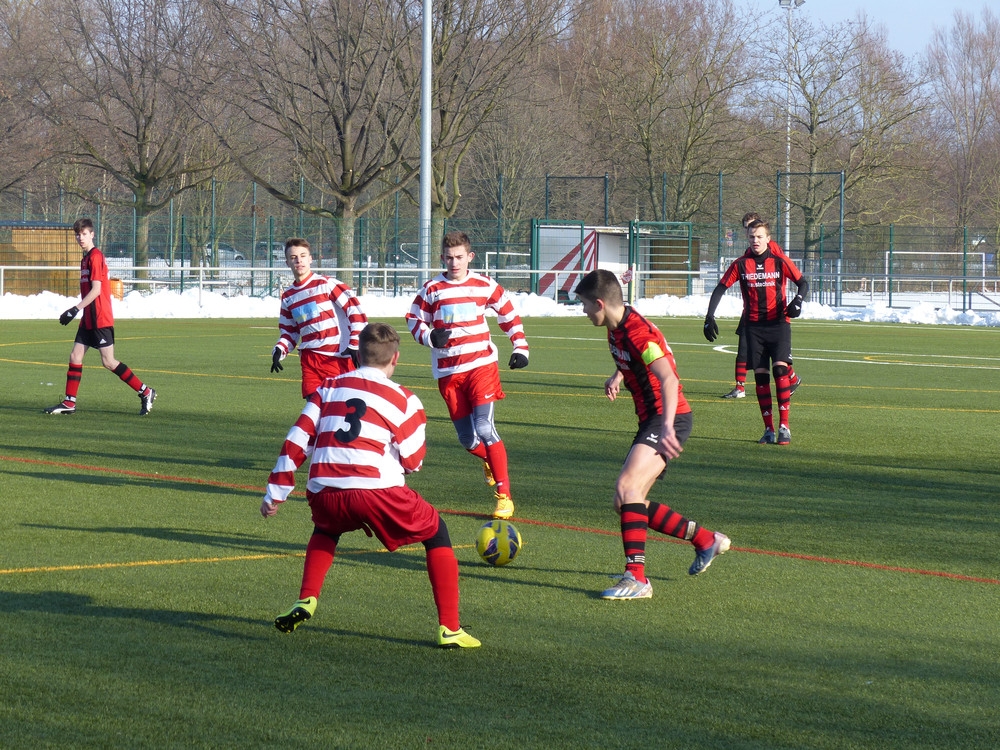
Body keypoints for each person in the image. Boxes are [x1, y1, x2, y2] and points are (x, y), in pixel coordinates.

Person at [260, 322, 481, 649]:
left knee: (326, 529)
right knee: (437, 532)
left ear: (357, 355)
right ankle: (450, 628)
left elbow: (297, 439)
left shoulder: (328, 387)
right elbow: (413, 461)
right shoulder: (404, 398)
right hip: (377, 491)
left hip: (324, 490)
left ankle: (307, 598)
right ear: (396, 358)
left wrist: (275, 493)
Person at [574, 269, 730, 600]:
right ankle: (705, 540)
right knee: (625, 502)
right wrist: (619, 375)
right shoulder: (618, 327)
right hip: (653, 420)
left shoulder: (637, 333)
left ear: (600, 304)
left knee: (626, 487)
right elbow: (637, 358)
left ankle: (637, 578)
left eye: (585, 305)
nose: (584, 311)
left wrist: (668, 425)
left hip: (667, 418)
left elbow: (668, 378)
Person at [405, 230, 529, 520]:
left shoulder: (484, 284)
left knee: (485, 428)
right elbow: (413, 319)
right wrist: (429, 336)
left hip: (481, 365)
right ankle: (489, 460)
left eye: (459, 257)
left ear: (470, 257)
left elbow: (508, 314)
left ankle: (504, 496)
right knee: (468, 440)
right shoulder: (432, 289)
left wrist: (520, 346)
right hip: (448, 372)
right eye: (449, 258)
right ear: (442, 258)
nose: (454, 263)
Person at [705, 219, 808, 445]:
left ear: (768, 239)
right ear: (747, 238)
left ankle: (784, 427)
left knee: (780, 370)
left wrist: (798, 301)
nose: (755, 240)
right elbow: (721, 288)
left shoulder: (779, 261)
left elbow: (803, 283)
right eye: (752, 236)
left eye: (760, 236)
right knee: (761, 376)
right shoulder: (740, 264)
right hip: (753, 327)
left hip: (779, 324)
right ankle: (768, 429)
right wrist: (709, 316)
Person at [45, 218, 156, 416]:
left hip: (100, 318)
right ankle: (69, 403)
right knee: (75, 356)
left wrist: (75, 309)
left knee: (109, 362)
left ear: (92, 235)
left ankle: (146, 391)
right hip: (88, 318)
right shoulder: (85, 258)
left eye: (84, 234)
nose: (80, 238)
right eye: (78, 234)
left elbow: (96, 290)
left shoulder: (95, 257)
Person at [270, 238, 367, 398]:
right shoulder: (288, 296)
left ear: (310, 259)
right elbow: (289, 332)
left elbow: (355, 312)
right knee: (314, 407)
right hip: (310, 360)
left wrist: (355, 343)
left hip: (336, 358)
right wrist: (280, 350)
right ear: (287, 262)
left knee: (341, 408)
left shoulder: (326, 284)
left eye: (303, 256)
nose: (298, 260)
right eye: (293, 257)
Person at [722, 212, 801, 399]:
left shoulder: (772, 249)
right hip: (752, 309)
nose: (750, 234)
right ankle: (741, 386)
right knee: (744, 345)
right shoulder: (748, 252)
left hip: (772, 312)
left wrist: (796, 299)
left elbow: (784, 270)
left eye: (752, 228)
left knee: (773, 355)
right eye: (747, 229)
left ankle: (788, 378)